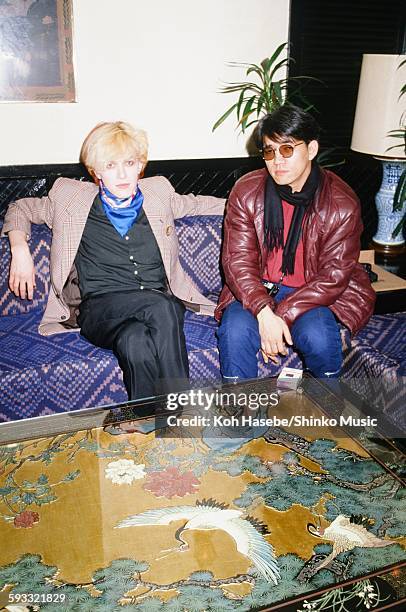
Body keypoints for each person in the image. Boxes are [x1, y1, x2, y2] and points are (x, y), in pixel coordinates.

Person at [2, 121, 225, 400]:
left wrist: (254, 203)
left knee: (135, 342)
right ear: (96, 171)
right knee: (163, 306)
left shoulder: (158, 194)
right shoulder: (69, 199)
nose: (122, 173)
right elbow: (20, 208)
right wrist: (20, 249)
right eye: (110, 165)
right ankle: (178, 410)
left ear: (140, 165)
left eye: (129, 163)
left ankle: (141, 417)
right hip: (100, 310)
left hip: (153, 304)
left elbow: (202, 204)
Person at [215, 104, 375, 382]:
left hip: (311, 291)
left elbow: (333, 277)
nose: (277, 160)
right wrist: (265, 314)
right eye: (269, 151)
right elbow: (237, 262)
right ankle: (240, 417)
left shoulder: (341, 203)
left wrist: (283, 315)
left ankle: (325, 411)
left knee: (319, 338)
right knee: (235, 332)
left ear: (311, 150)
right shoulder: (246, 191)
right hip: (255, 287)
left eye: (287, 149)